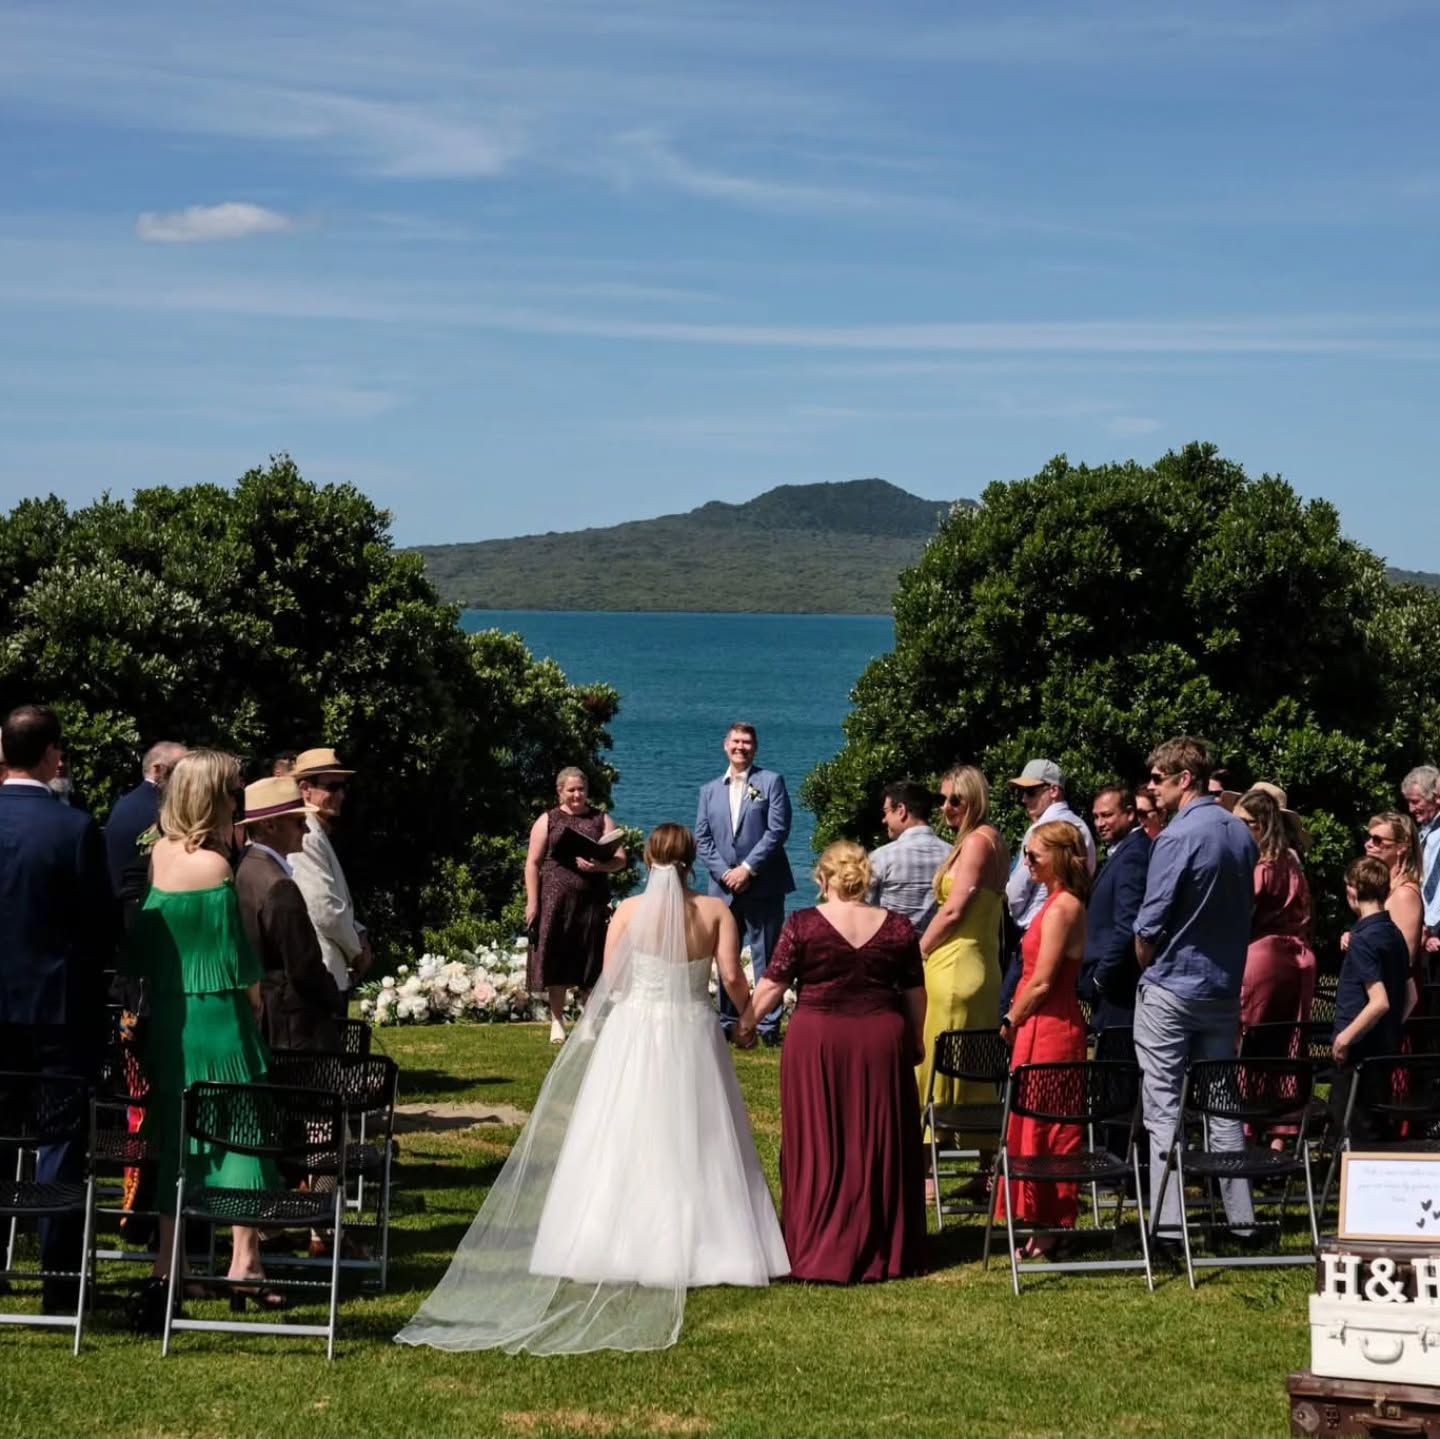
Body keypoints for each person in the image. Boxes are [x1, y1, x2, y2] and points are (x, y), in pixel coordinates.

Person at [396, 824, 787, 1355]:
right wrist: (747, 1021)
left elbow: (611, 980)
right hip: (691, 1029)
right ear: (693, 861)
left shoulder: (627, 912)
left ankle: (609, 1242)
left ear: (647, 859)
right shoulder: (716, 911)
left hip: (636, 1029)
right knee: (698, 1133)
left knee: (623, 1132)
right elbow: (733, 978)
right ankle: (708, 1245)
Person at [121, 750, 279, 1332]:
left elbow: (144, 948)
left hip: (172, 1018)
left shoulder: (159, 856)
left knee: (176, 1137)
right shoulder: (216, 867)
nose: (237, 802)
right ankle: (245, 1260)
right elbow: (237, 960)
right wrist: (256, 1004)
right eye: (231, 793)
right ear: (212, 799)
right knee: (241, 1136)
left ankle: (171, 1264)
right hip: (219, 1020)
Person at [738, 842, 927, 1283]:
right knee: (877, 1139)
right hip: (880, 1038)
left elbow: (773, 984)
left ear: (823, 881)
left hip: (818, 1040)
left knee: (819, 1139)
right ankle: (881, 1240)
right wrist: (915, 1038)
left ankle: (818, 1240)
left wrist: (746, 1023)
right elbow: (915, 992)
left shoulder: (803, 924)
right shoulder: (898, 927)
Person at [0, 704, 116, 1312]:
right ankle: (59, 1282)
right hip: (57, 1009)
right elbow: (99, 924)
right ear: (52, 755)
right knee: (60, 1143)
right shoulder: (73, 829)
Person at [1133, 735, 1258, 1247]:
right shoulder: (1241, 832)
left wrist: (1146, 957)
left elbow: (1150, 921)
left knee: (1164, 1108)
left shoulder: (1177, 836)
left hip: (1172, 986)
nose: (1151, 788)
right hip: (1222, 988)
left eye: (1157, 779)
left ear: (1185, 779)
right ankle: (1242, 1222)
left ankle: (1168, 1228)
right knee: (1223, 1105)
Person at [996, 821, 1090, 1256]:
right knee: (1032, 1125)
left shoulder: (1063, 906)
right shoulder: (1053, 901)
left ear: (1059, 857)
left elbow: (1043, 981)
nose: (1028, 862)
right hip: (1038, 1024)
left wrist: (1011, 1018)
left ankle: (1051, 1223)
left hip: (1050, 1025)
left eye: (1035, 855)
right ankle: (1037, 1220)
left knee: (1050, 1127)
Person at [916, 765, 1009, 1200]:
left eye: (955, 799)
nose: (946, 808)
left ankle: (927, 1172)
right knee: (977, 1066)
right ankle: (988, 1168)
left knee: (934, 1066)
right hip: (982, 963)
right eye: (942, 799)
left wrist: (918, 950)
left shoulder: (975, 843)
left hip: (954, 965)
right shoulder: (995, 840)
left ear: (974, 799)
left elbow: (953, 910)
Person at [694, 722, 796, 1045]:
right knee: (727, 958)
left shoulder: (771, 782)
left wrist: (748, 869)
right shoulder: (709, 790)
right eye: (736, 741)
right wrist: (726, 873)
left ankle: (766, 1027)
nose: (741, 747)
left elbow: (777, 830)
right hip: (723, 889)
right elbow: (702, 838)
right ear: (726, 745)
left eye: (747, 742)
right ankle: (729, 1021)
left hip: (764, 885)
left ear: (755, 747)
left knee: (767, 956)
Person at [234, 775, 341, 1053]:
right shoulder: (278, 885)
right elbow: (304, 966)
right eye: (298, 821)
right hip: (291, 1028)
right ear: (270, 825)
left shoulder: (247, 868)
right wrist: (335, 995)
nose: (306, 829)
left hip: (265, 1019)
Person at [524, 766, 627, 1044]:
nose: (577, 795)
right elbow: (532, 863)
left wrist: (600, 866)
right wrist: (532, 902)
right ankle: (557, 1021)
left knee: (590, 961)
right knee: (556, 959)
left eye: (581, 789)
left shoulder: (601, 819)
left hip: (592, 902)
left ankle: (589, 1021)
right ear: (560, 792)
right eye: (571, 790)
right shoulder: (548, 820)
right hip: (555, 901)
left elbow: (620, 860)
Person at [1001, 758, 1095, 1014]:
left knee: (1013, 1011)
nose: (1024, 800)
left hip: (1035, 932)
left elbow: (1016, 892)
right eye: (1021, 794)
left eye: (1031, 792)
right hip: (1069, 933)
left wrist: (1018, 918)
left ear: (1053, 790)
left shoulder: (1042, 831)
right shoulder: (1082, 829)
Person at [1331, 857, 1411, 1141]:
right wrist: (1389, 1028)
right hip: (1383, 1049)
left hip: (1358, 1051)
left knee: (1351, 1129)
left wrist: (1344, 1038)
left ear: (1352, 891)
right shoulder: (1394, 934)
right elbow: (1411, 995)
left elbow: (1379, 1001)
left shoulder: (1364, 940)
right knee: (1377, 1126)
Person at [290, 746, 371, 1016]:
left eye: (344, 787)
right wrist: (357, 950)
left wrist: (359, 931)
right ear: (305, 789)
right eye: (333, 787)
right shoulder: (305, 834)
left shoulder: (315, 830)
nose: (341, 795)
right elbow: (323, 908)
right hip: (321, 970)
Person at [1233, 786, 1317, 1031]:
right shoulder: (1290, 862)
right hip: (1299, 959)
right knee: (1286, 1039)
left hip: (1261, 959)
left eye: (1242, 823)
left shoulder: (1261, 868)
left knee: (1251, 1039)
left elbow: (1239, 915)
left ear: (1261, 826)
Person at [1078, 784, 1151, 1029]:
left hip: (1119, 988)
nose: (1100, 823)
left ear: (1130, 814)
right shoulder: (1124, 851)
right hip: (1113, 987)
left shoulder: (1134, 855)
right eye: (1096, 817)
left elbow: (1128, 923)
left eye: (1107, 815)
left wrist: (1100, 978)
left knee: (1115, 1051)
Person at [1351, 812, 1424, 1014]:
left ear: (1401, 847)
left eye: (1378, 840)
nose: (1368, 844)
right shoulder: (1384, 890)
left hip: (1393, 1004)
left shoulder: (1404, 895)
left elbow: (1402, 960)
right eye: (1368, 837)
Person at [104, 741, 188, 894]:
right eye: (181, 768)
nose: (188, 775)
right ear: (158, 769)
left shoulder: (125, 804)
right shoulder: (163, 809)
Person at [867, 779, 951, 932]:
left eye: (886, 812)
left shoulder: (881, 857)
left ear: (901, 810)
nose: (884, 820)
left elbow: (863, 910)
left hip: (893, 943)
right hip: (942, 945)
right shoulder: (953, 854)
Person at [1402, 766, 1440, 964]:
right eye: (1408, 802)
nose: (1411, 809)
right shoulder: (1424, 832)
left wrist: (1434, 928)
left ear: (1435, 797)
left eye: (1416, 802)